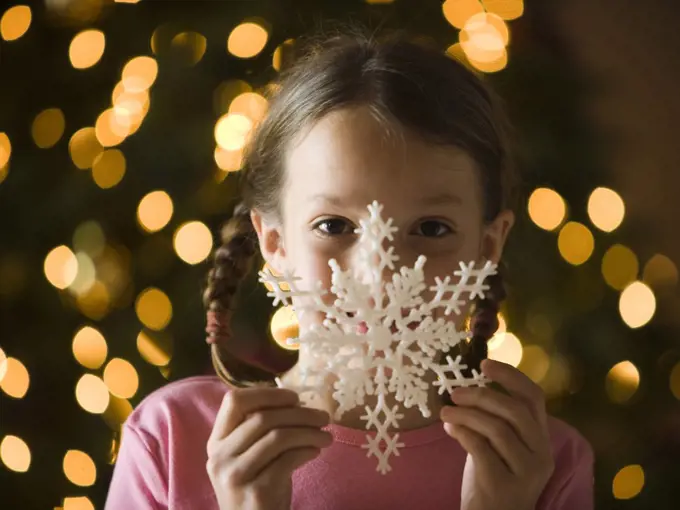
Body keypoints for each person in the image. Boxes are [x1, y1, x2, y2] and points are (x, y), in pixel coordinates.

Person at [105, 28, 594, 510]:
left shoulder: (537, 463)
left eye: (431, 228)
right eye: (334, 224)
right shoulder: (173, 439)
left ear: (487, 246)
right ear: (274, 242)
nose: (379, 275)